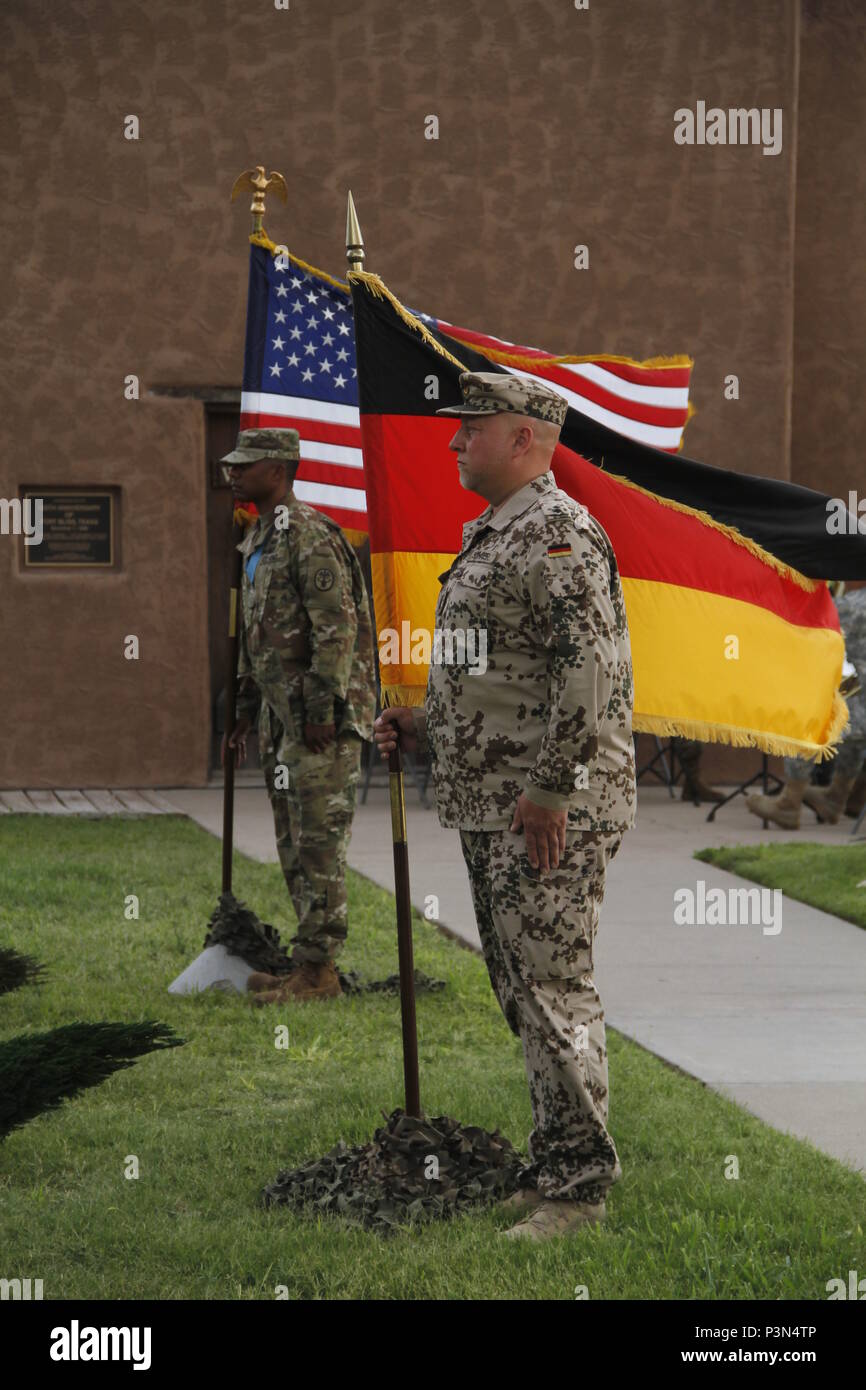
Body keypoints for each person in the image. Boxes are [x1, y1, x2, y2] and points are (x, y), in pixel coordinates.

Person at [374, 371, 636, 1241]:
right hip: (498, 799)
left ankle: (580, 1191)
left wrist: (552, 790)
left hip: (549, 806)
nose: (453, 442)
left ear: (523, 438)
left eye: (469, 429)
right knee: (524, 989)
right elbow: (501, 673)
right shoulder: (496, 533)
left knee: (555, 988)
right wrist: (423, 723)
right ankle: (556, 1159)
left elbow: (585, 676)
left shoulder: (557, 535)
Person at [221, 428, 375, 1001]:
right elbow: (255, 636)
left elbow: (337, 627)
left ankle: (319, 973)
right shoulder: (259, 536)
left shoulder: (309, 535)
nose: (233, 473)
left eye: (246, 465)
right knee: (292, 842)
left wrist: (318, 710)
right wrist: (240, 711)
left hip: (319, 724)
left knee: (319, 846)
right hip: (278, 719)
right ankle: (308, 966)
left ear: (279, 470)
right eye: (232, 465)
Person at [746, 580, 866, 830]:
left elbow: (815, 628)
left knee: (805, 715)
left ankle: (789, 804)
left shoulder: (854, 607)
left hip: (857, 714)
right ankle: (836, 798)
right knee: (852, 713)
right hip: (859, 713)